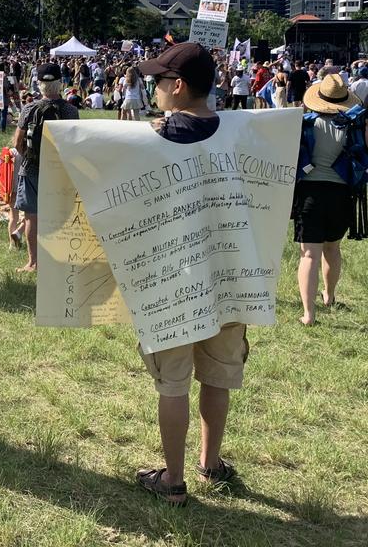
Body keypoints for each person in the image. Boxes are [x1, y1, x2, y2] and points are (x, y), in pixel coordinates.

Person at [134, 42, 244, 506]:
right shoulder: (242, 135)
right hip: (229, 278)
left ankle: (173, 481)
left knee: (173, 382)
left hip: (170, 281)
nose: (155, 90)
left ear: (176, 87)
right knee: (217, 375)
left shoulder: (148, 141)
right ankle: (211, 462)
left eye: (158, 82)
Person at [292, 74, 361, 326]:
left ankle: (308, 315)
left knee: (309, 254)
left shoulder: (306, 124)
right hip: (342, 194)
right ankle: (329, 296)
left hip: (310, 193)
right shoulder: (353, 126)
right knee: (332, 248)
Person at [11, 63, 78, 273]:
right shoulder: (71, 110)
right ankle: (58, 259)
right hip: (59, 170)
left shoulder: (30, 108)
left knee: (31, 217)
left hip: (31, 168)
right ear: (61, 83)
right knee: (58, 215)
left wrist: (30, 156)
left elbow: (17, 143)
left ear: (39, 84)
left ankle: (33, 263)